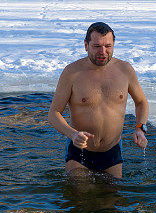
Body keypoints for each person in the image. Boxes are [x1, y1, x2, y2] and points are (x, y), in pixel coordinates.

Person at [48, 22, 149, 179]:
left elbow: (141, 102)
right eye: (96, 46)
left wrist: (140, 128)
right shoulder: (72, 73)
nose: (103, 52)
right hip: (79, 151)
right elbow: (54, 113)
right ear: (86, 45)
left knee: (111, 199)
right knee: (79, 197)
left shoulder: (125, 70)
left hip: (112, 150)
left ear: (114, 44)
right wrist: (73, 134)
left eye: (108, 46)